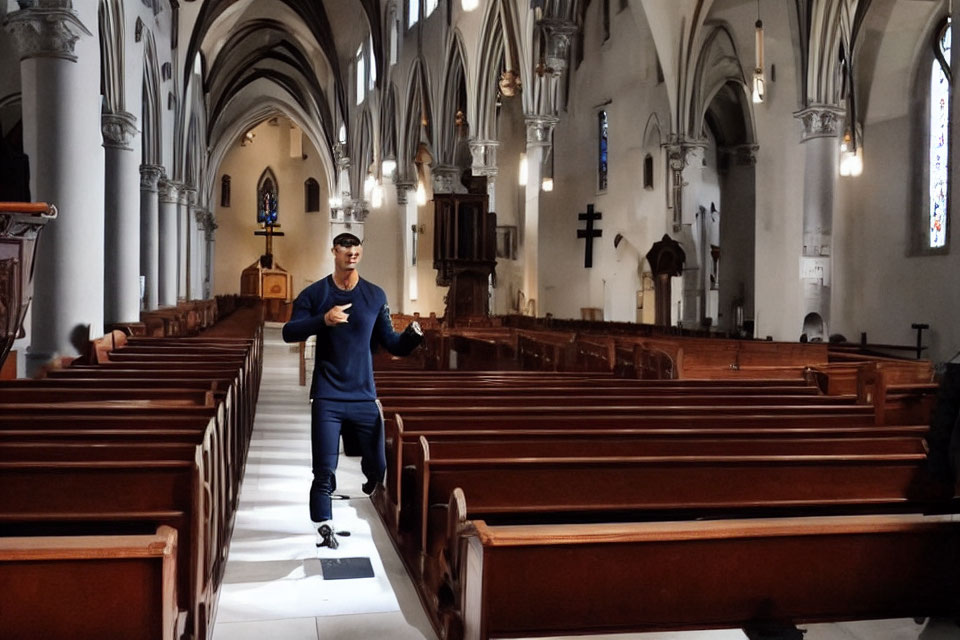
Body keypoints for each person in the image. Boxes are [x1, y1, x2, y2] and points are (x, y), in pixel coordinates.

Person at [282, 232, 423, 549]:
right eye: (345, 246)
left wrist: (413, 336)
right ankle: (324, 524)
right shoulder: (316, 293)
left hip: (363, 395)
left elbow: (392, 343)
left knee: (378, 465)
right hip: (328, 397)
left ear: (361, 251)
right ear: (334, 251)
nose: (351, 251)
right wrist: (323, 320)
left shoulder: (375, 295)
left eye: (356, 246)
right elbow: (290, 332)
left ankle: (371, 476)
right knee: (323, 470)